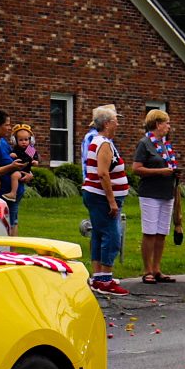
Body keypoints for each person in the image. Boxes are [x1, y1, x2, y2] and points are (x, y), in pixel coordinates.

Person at [80, 105, 129, 297]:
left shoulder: (100, 141)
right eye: (116, 121)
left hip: (96, 195)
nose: (118, 124)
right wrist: (112, 201)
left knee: (99, 234)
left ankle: (99, 276)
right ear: (107, 124)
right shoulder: (104, 144)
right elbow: (102, 173)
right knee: (111, 235)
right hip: (101, 197)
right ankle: (105, 279)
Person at [130, 109, 181, 284]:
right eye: (167, 123)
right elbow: (136, 168)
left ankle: (157, 269)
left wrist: (174, 172)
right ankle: (147, 270)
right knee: (150, 232)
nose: (169, 126)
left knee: (161, 232)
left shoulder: (165, 144)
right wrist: (160, 171)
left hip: (167, 192)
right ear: (158, 124)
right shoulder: (145, 143)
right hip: (150, 193)